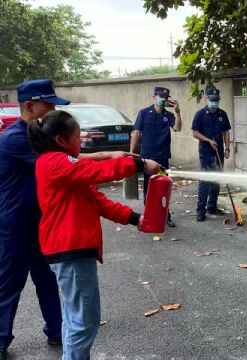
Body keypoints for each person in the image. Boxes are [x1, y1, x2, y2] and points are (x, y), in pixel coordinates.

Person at [28, 109, 160, 360]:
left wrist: (135, 219)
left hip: (69, 251)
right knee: (84, 322)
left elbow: (97, 201)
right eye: (77, 137)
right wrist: (140, 164)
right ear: (61, 140)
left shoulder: (62, 166)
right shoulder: (56, 162)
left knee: (74, 319)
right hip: (70, 250)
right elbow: (98, 171)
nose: (81, 143)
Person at [0, 79, 66, 360]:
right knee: (9, 283)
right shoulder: (15, 137)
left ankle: (57, 331)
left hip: (40, 221)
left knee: (47, 278)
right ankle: (1, 340)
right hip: (14, 223)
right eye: (47, 104)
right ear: (30, 105)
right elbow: (59, 166)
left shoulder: (37, 136)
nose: (52, 109)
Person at [130, 86, 182, 227]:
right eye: (160, 97)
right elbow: (136, 133)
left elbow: (177, 128)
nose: (162, 99)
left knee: (164, 186)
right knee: (149, 187)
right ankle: (149, 215)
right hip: (147, 157)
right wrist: (131, 153)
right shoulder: (144, 113)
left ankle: (166, 215)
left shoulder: (169, 115)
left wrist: (177, 112)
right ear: (154, 97)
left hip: (163, 157)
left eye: (165, 97)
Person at [191, 88, 231, 221]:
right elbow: (195, 133)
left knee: (217, 179)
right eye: (211, 100)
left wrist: (227, 149)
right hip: (206, 152)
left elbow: (226, 132)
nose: (214, 102)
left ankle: (212, 207)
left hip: (219, 151)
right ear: (206, 100)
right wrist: (208, 140)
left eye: (216, 100)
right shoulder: (200, 114)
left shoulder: (222, 114)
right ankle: (200, 210)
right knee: (205, 181)